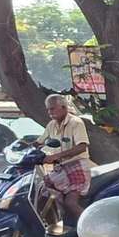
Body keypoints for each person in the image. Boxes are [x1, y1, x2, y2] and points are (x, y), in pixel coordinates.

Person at [36, 94, 93, 227]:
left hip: (77, 166)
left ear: (63, 107)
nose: (50, 112)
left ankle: (92, 228)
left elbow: (82, 146)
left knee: (71, 203)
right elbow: (39, 142)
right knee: (44, 194)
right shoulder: (51, 125)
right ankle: (57, 232)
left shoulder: (76, 123)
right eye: (48, 110)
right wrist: (23, 146)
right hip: (60, 169)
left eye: (52, 109)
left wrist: (56, 156)